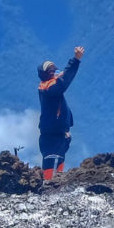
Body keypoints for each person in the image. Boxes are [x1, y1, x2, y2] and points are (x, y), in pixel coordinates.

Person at [37, 47, 84, 181]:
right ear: (47, 74)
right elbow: (65, 80)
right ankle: (49, 193)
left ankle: (51, 191)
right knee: (52, 171)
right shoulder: (50, 88)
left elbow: (62, 77)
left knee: (58, 166)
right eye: (52, 71)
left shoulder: (48, 86)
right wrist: (75, 60)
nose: (56, 72)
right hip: (53, 136)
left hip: (56, 134)